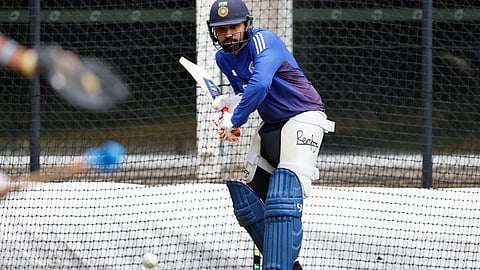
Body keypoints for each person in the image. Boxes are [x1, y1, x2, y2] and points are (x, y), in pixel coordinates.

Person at [207, 0, 335, 269]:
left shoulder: (264, 41)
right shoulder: (223, 59)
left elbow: (261, 82)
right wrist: (230, 110)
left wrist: (236, 117)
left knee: (282, 196)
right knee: (248, 201)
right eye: (221, 29)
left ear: (246, 25)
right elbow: (247, 93)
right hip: (272, 124)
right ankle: (289, 265)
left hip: (303, 117)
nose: (228, 34)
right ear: (214, 33)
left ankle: (279, 265)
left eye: (233, 27)